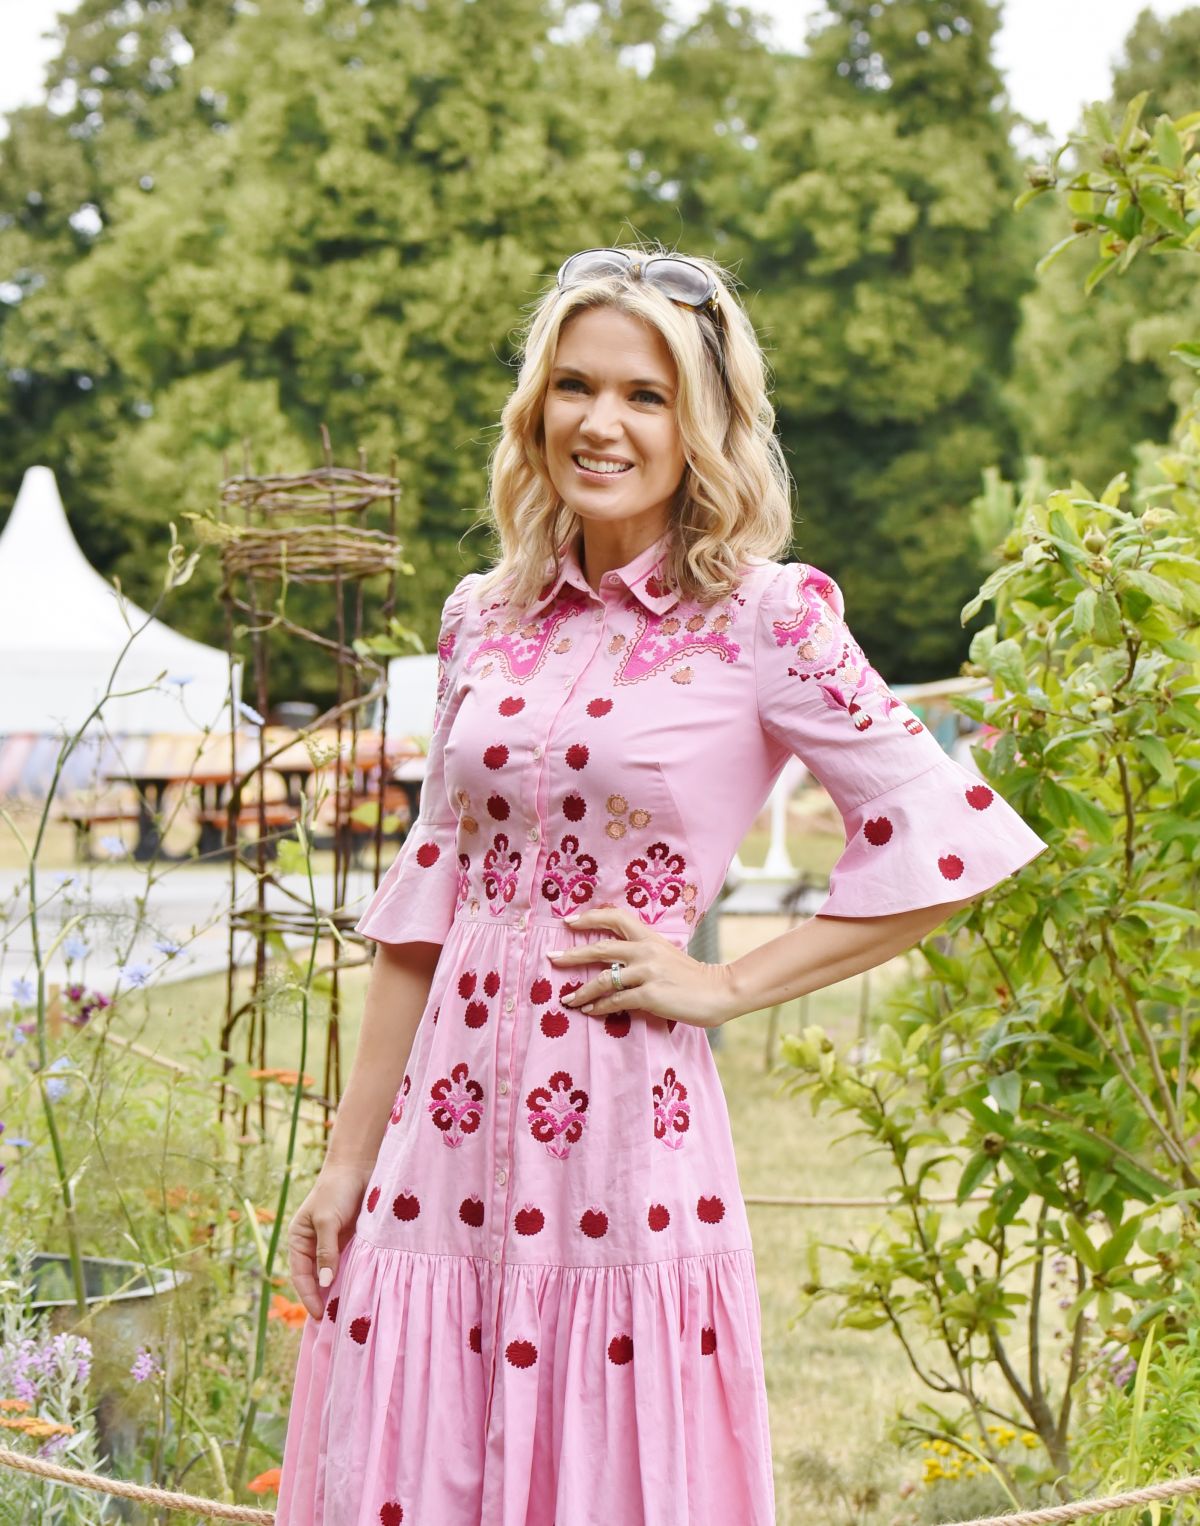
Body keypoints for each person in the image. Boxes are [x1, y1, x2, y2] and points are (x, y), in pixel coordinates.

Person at [277, 245, 1048, 1525]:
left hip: (624, 1146)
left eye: (645, 394)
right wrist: (345, 1160)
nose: (602, 421)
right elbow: (428, 899)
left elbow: (945, 839)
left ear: (704, 421)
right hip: (439, 1150)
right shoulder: (482, 614)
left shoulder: (768, 617)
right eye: (575, 385)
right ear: (536, 409)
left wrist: (728, 980)